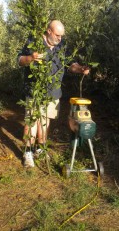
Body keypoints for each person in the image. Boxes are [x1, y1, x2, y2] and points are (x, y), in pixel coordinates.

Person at [18, 20, 89, 168]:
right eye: (57, 35)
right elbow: (19, 60)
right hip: (35, 90)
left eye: (62, 36)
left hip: (53, 92)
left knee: (45, 120)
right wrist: (31, 58)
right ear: (49, 31)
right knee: (31, 121)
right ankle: (28, 152)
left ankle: (40, 148)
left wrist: (80, 68)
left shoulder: (61, 47)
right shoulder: (34, 42)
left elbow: (71, 65)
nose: (60, 39)